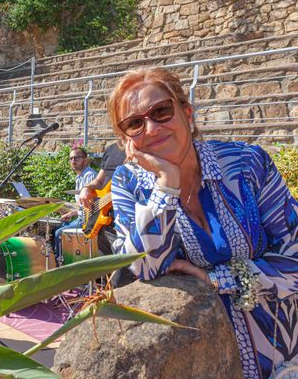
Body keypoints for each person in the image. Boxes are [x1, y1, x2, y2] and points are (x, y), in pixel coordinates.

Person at [108, 67, 298, 379]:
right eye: (135, 123)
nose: (152, 128)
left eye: (161, 111)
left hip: (284, 356)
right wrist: (166, 183)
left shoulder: (247, 164)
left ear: (186, 112)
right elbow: (146, 266)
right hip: (207, 364)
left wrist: (220, 279)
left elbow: (295, 257)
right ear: (125, 138)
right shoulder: (129, 183)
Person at [77, 142, 126, 255]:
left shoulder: (144, 148)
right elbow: (99, 181)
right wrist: (86, 188)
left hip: (123, 221)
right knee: (105, 265)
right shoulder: (112, 149)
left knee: (122, 268)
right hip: (102, 220)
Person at [54, 146, 96, 264]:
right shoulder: (79, 177)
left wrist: (73, 212)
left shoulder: (89, 175)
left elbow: (88, 204)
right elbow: (80, 204)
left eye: (77, 158)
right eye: (71, 158)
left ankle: (61, 266)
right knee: (57, 226)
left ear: (85, 160)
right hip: (81, 216)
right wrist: (69, 211)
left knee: (59, 233)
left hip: (88, 219)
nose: (73, 161)